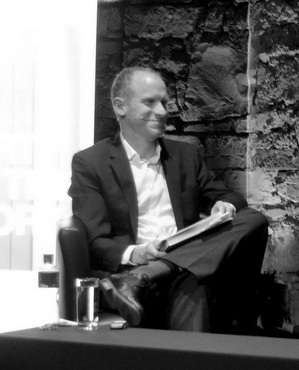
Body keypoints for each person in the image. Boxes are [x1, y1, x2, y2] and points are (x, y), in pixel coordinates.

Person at [69, 67, 269, 332]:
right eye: (150, 102)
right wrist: (136, 253)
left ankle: (154, 273)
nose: (162, 111)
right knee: (195, 279)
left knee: (253, 219)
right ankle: (143, 276)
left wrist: (226, 204)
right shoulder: (91, 162)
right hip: (136, 267)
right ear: (120, 107)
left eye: (164, 102)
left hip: (186, 264)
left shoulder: (185, 155)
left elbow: (227, 195)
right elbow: (96, 242)